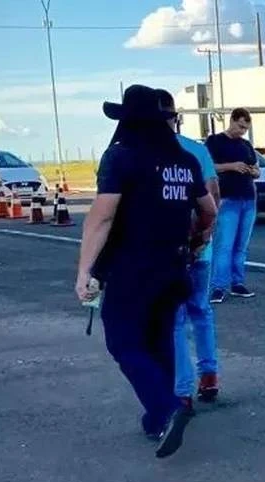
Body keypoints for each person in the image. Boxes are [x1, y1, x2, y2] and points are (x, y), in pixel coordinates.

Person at [75, 84, 218, 459]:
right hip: (174, 266)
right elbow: (209, 210)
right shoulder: (184, 160)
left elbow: (102, 217)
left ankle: (166, 408)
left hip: (132, 268)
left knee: (123, 341)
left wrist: (85, 270)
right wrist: (198, 239)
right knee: (159, 340)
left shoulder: (121, 156)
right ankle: (158, 420)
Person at [155, 89, 222, 404]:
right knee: (201, 309)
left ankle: (182, 390)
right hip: (201, 249)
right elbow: (213, 197)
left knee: (175, 319)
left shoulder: (148, 153)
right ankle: (209, 375)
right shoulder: (197, 150)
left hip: (169, 251)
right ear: (176, 117)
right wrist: (203, 237)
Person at [205, 108, 260, 304]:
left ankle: (238, 283)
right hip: (228, 199)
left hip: (248, 199)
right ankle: (218, 286)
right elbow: (208, 166)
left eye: (245, 129)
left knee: (241, 246)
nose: (242, 131)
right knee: (224, 245)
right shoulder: (215, 141)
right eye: (240, 126)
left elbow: (257, 170)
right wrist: (231, 166)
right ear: (232, 121)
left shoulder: (246, 145)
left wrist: (253, 171)